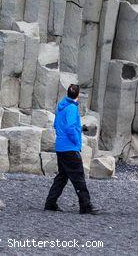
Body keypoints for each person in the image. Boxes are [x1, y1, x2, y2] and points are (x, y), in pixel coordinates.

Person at [44, 84, 100, 214]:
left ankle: (50, 203)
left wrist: (80, 128)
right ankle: (86, 206)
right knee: (78, 177)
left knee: (62, 177)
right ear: (78, 95)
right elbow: (69, 127)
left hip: (61, 147)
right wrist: (76, 140)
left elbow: (58, 124)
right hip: (70, 148)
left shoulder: (61, 106)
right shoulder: (72, 108)